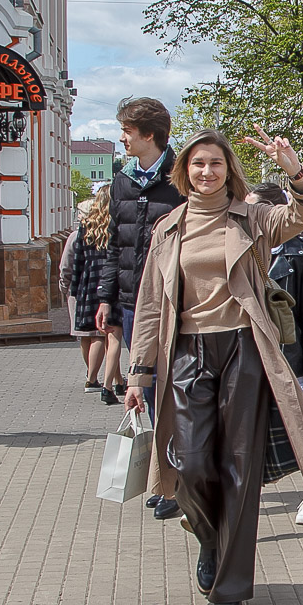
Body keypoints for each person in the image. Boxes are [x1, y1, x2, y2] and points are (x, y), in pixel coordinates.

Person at [125, 127, 303, 605]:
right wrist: (137, 372)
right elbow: (151, 303)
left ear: (229, 170)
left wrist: (293, 169)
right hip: (185, 354)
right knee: (192, 464)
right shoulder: (168, 228)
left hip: (244, 347)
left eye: (215, 164)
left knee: (239, 468)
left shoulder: (253, 217)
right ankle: (209, 538)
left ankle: (231, 585)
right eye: (197, 164)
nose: (206, 172)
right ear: (184, 170)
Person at [95, 96, 185, 521]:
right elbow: (114, 245)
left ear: (149, 135)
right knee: (146, 391)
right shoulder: (121, 181)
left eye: (128, 131)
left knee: (177, 392)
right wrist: (106, 298)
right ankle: (164, 479)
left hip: (178, 303)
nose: (122, 138)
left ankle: (181, 483)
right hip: (134, 304)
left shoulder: (181, 178)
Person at [246, 182, 303, 526]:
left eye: (255, 209)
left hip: (290, 356)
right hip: (251, 352)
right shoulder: (245, 248)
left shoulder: (301, 253)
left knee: (300, 428)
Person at [72, 186, 127, 405]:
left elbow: (78, 260)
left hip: (90, 282)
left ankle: (106, 379)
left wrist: (76, 289)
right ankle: (107, 385)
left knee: (92, 334)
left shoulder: (87, 226)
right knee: (112, 336)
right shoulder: (119, 225)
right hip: (114, 283)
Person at [60, 201, 107, 394]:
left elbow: (67, 266)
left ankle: (91, 375)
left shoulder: (77, 235)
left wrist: (65, 286)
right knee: (99, 334)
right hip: (103, 288)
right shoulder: (107, 233)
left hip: (79, 289)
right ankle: (92, 377)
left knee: (85, 335)